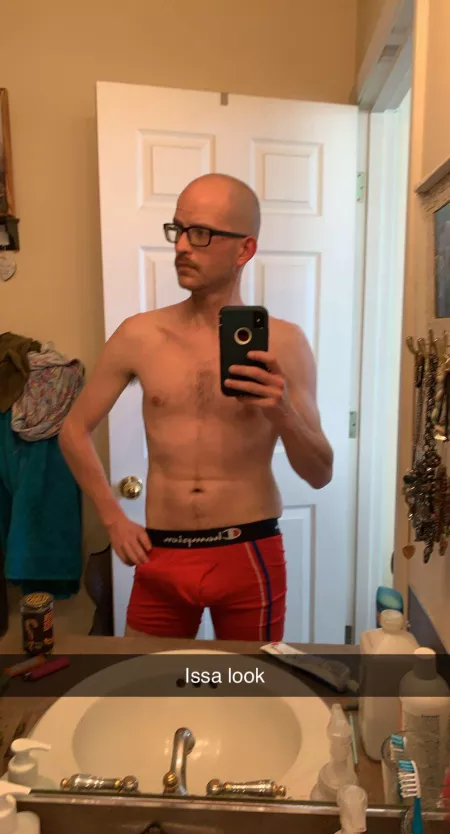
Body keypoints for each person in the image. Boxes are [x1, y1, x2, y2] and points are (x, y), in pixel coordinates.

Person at [59, 173, 333, 641]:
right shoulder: (140, 335)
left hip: (248, 551)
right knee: (147, 682)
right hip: (161, 553)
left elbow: (320, 473)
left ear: (244, 249)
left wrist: (281, 411)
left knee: (246, 683)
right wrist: (112, 518)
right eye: (179, 230)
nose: (182, 246)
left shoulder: (286, 344)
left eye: (201, 233)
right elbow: (73, 430)